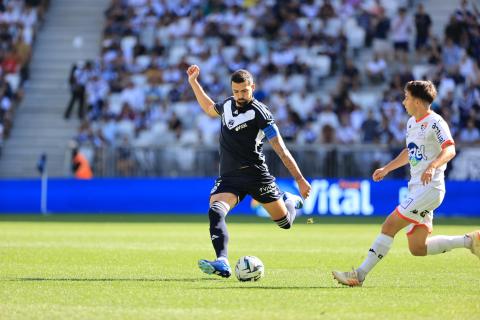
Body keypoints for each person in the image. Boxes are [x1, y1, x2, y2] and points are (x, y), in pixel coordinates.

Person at [332, 80, 480, 286]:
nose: (404, 102)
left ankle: (359, 274)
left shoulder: (436, 122)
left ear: (418, 101)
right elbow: (410, 152)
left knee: (389, 225)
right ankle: (470, 241)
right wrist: (387, 168)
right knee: (417, 248)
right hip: (418, 188)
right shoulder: (412, 123)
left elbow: (450, 149)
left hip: (430, 188)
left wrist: (433, 166)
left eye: (407, 97)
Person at [186, 65, 311, 278]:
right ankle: (222, 262)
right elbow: (209, 108)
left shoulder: (261, 113)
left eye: (244, 91)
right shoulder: (226, 105)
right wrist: (194, 83)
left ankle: (289, 200)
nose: (240, 95)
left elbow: (281, 149)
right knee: (215, 211)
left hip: (256, 175)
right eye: (236, 91)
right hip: (230, 177)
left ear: (253, 87)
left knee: (285, 223)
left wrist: (299, 179)